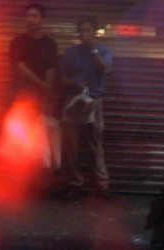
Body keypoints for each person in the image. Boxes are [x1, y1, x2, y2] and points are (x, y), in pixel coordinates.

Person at [57, 15, 113, 199]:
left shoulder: (103, 50)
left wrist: (93, 50)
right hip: (74, 101)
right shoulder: (72, 52)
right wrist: (75, 84)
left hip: (94, 101)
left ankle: (101, 185)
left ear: (94, 31)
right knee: (71, 145)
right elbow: (62, 77)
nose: (84, 34)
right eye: (81, 31)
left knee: (95, 144)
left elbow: (105, 70)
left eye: (87, 30)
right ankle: (74, 183)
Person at [8, 3, 58, 111]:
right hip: (21, 95)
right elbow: (21, 67)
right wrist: (42, 84)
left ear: (42, 20)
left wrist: (47, 91)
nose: (31, 19)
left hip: (41, 96)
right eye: (28, 16)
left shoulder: (50, 44)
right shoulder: (17, 42)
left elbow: (51, 68)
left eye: (34, 16)